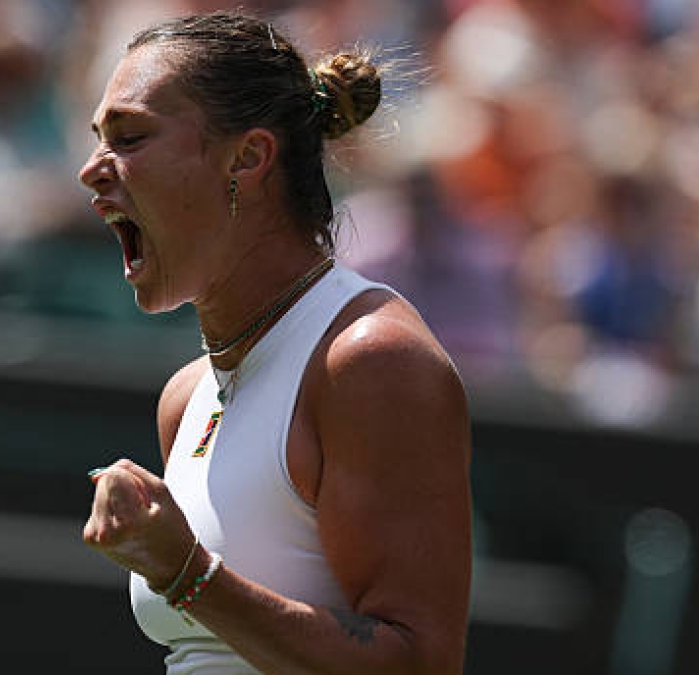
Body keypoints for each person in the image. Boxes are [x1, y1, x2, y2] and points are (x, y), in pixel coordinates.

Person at [79, 11, 472, 675]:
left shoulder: (369, 360)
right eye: (98, 139)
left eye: (131, 136)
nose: (92, 170)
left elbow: (421, 662)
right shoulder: (186, 397)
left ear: (249, 157)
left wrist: (187, 574)